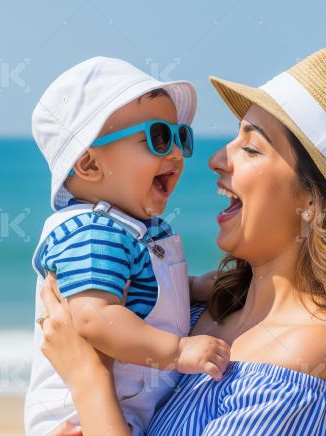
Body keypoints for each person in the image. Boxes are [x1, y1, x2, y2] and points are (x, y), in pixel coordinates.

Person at [38, 47, 326, 435]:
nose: (215, 159)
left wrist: (88, 380)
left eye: (250, 147)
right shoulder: (197, 315)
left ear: (311, 197)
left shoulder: (309, 365)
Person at [25, 56, 231, 436]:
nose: (175, 154)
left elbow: (142, 294)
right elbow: (94, 317)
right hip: (79, 418)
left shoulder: (136, 229)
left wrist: (195, 287)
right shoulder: (92, 232)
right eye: (158, 137)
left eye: (180, 136)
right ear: (88, 165)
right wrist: (178, 352)